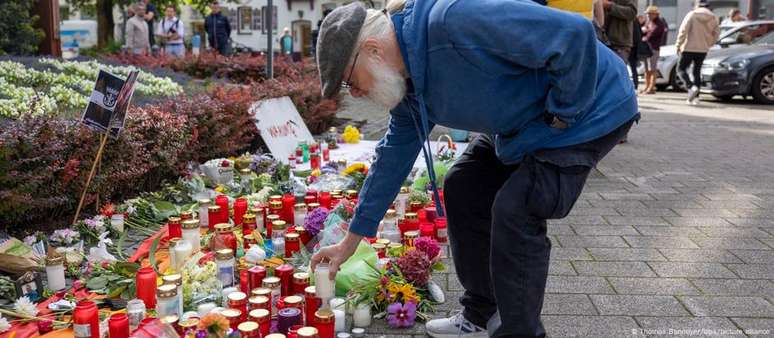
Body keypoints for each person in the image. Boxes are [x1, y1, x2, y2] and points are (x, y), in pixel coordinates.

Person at [311, 1, 638, 337]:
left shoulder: (454, 21)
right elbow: (390, 161)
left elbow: (573, 33)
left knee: (518, 208)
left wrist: (563, 113)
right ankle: (480, 314)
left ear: (372, 49)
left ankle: (519, 332)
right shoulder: (408, 88)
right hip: (527, 124)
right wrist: (350, 242)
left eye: (350, 80)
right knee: (464, 185)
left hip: (590, 109)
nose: (356, 93)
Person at [676, 0, 719, 105]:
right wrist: (709, 43)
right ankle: (696, 98)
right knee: (697, 72)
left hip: (688, 47)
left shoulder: (692, 14)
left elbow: (683, 30)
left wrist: (678, 44)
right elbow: (717, 33)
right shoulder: (713, 17)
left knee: (680, 69)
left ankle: (691, 87)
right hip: (703, 49)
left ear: (697, 5)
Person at [641, 6, 669, 94]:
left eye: (650, 14)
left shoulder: (659, 24)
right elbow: (643, 30)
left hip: (654, 48)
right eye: (647, 14)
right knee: (646, 69)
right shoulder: (649, 22)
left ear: (655, 14)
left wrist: (645, 34)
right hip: (646, 48)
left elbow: (651, 34)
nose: (648, 15)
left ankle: (651, 87)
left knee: (652, 69)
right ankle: (646, 86)